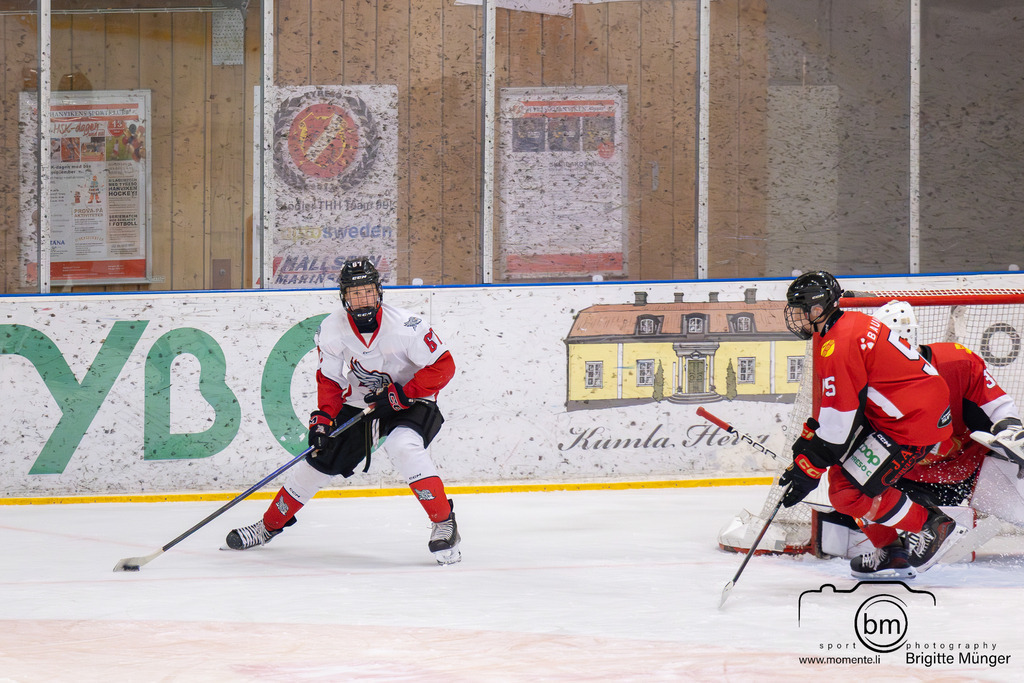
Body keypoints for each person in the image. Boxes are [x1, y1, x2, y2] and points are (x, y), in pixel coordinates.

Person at [225, 258, 462, 564]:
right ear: (343, 297)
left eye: (367, 292)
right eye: (354, 293)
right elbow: (330, 379)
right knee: (316, 463)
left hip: (412, 401)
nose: (362, 300)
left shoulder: (407, 326)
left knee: (404, 446)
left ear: (378, 292)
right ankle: (268, 526)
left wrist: (406, 392)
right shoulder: (332, 329)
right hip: (362, 404)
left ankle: (444, 522)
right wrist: (323, 418)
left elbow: (444, 365)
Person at [779, 271, 962, 580]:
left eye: (799, 309)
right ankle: (891, 554)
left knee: (846, 493)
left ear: (817, 309)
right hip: (900, 414)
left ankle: (930, 523)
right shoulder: (839, 328)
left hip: (912, 422)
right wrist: (808, 442)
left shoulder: (840, 342)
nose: (795, 317)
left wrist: (808, 468)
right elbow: (835, 406)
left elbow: (839, 426)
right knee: (841, 478)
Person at [874, 301, 1024, 527]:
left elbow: (999, 408)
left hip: (972, 467)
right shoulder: (870, 382)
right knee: (929, 551)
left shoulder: (957, 362)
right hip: (911, 481)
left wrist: (1011, 433)